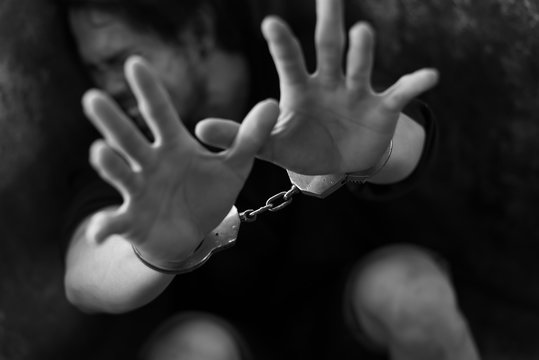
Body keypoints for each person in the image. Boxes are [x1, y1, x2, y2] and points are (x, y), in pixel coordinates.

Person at [62, 0, 479, 359]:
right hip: (230, 338)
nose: (110, 85)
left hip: (352, 303)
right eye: (94, 69)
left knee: (415, 292)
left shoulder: (299, 80)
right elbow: (83, 278)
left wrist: (380, 148)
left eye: (120, 60)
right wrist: (151, 251)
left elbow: (408, 142)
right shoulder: (124, 149)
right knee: (187, 350)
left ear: (198, 31)